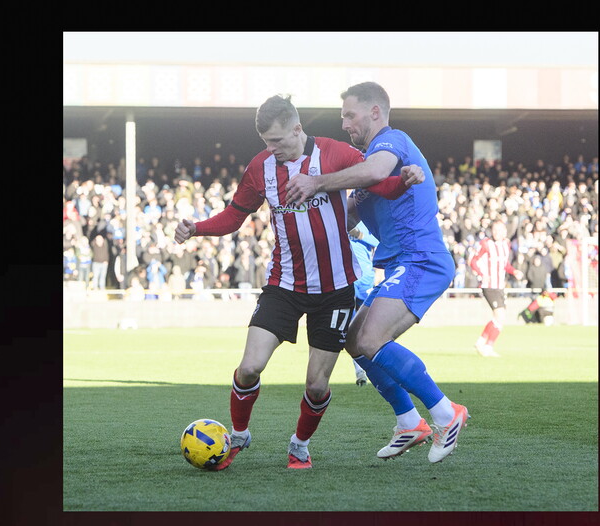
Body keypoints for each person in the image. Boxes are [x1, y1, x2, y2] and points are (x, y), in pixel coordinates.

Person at [174, 94, 421, 470]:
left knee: (316, 386)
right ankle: (239, 433)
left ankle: (300, 444)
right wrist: (197, 228)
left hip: (336, 290)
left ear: (297, 129)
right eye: (266, 143)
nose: (271, 150)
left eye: (277, 141)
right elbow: (234, 216)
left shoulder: (333, 153)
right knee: (249, 368)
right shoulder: (261, 167)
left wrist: (401, 182)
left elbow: (377, 181)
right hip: (284, 285)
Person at [285, 81, 469, 464]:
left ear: (374, 112)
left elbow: (376, 171)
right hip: (399, 265)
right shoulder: (367, 166)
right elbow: (347, 212)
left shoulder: (392, 142)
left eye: (349, 115)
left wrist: (317, 181)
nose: (345, 124)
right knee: (353, 339)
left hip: (421, 259)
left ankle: (446, 414)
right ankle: (409, 422)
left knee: (370, 338)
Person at [468, 219, 522, 357]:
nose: (497, 233)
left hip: (500, 285)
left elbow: (504, 264)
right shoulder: (485, 244)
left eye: (500, 230)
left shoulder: (506, 244)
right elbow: (473, 261)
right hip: (489, 285)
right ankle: (488, 346)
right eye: (495, 230)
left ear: (505, 231)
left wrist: (514, 271)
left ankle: (481, 342)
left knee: (498, 317)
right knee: (500, 316)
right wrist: (482, 274)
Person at [347, 221, 379, 386]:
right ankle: (359, 370)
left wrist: (360, 234)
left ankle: (378, 366)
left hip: (365, 278)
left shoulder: (368, 220)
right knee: (350, 327)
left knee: (370, 326)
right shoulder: (340, 218)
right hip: (346, 279)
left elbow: (379, 242)